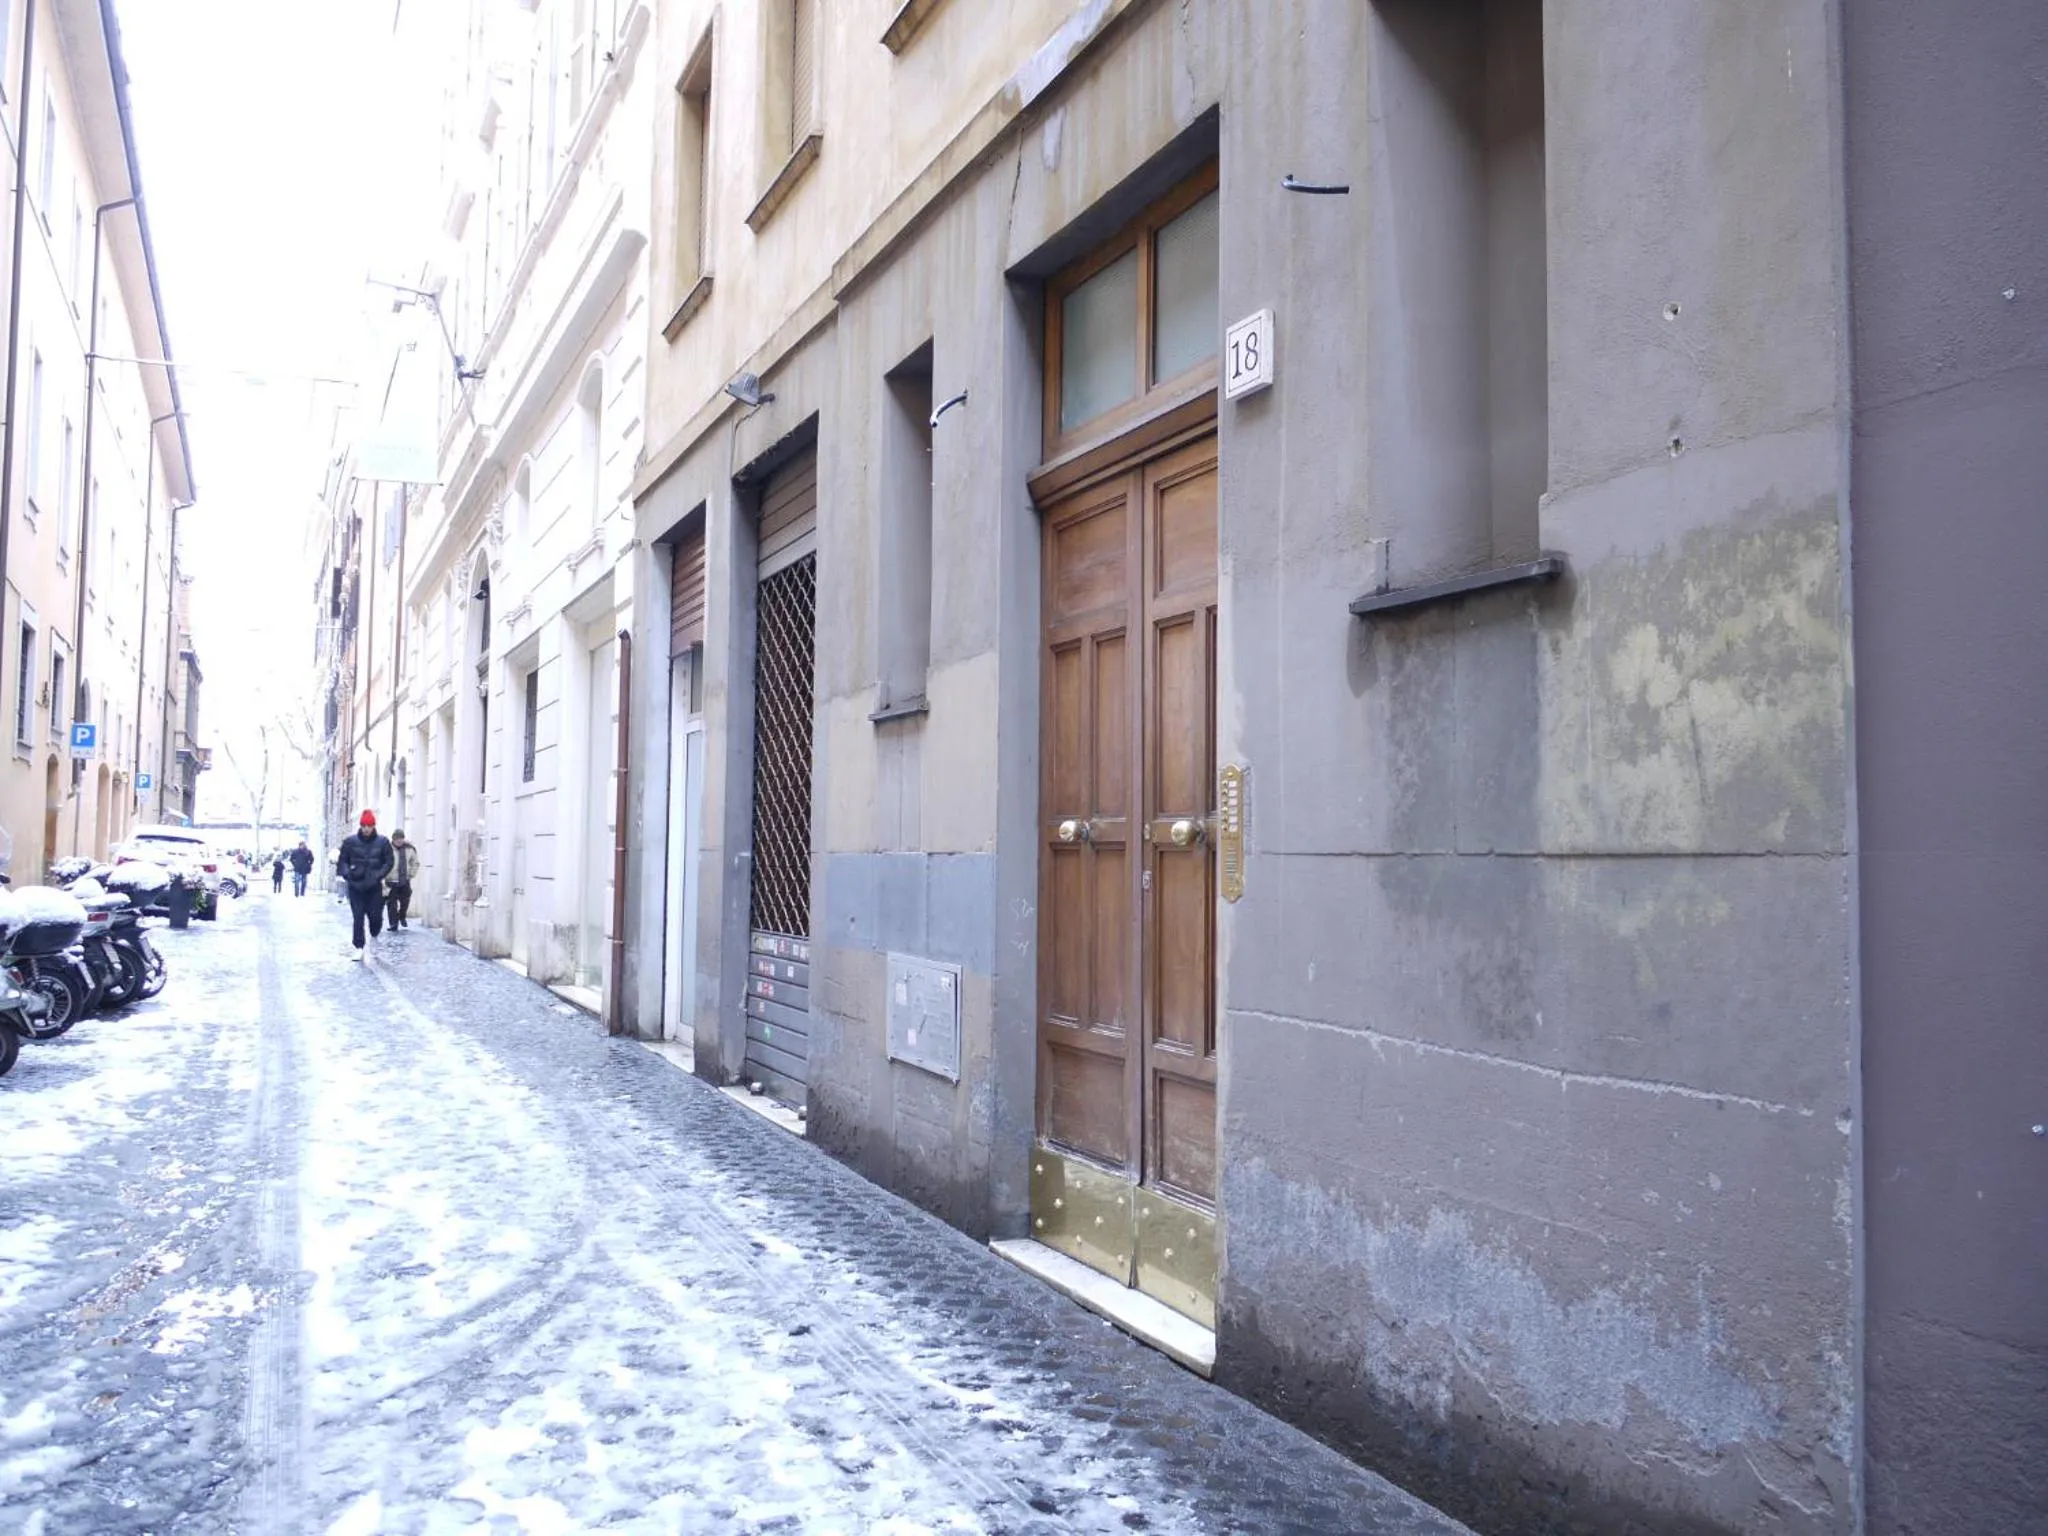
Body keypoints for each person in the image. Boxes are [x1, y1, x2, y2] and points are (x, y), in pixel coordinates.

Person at [337, 810, 394, 960]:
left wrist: (378, 875)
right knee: (358, 917)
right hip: (356, 886)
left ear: (373, 826)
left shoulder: (383, 842)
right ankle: (359, 947)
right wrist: (348, 874)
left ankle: (374, 935)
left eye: (369, 825)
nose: (366, 829)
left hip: (374, 887)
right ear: (361, 826)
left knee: (375, 916)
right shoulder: (350, 842)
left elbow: (389, 861)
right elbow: (342, 861)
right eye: (363, 825)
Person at [384, 829, 421, 930]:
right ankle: (393, 924)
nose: (399, 841)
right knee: (392, 904)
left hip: (404, 880)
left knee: (405, 901)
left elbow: (415, 862)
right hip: (391, 880)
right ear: (393, 839)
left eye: (401, 839)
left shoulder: (409, 849)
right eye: (397, 839)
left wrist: (411, 874)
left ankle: (402, 916)